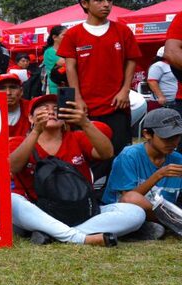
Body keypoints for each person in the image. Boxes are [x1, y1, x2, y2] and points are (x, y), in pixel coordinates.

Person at [9, 94, 145, 246]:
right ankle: (80, 238)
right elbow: (13, 167)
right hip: (39, 210)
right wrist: (36, 132)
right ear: (30, 118)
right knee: (8, 201)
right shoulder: (18, 141)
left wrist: (85, 123)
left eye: (56, 108)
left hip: (79, 210)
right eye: (44, 109)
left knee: (136, 213)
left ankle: (52, 233)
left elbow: (106, 153)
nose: (51, 112)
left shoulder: (77, 137)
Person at [57, 0, 141, 173]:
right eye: (99, 0)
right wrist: (77, 98)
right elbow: (70, 67)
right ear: (85, 4)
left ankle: (114, 194)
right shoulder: (73, 34)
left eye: (109, 0)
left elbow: (131, 61)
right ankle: (88, 192)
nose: (106, 5)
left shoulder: (122, 31)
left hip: (117, 104)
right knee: (87, 154)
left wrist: (125, 90)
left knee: (118, 153)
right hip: (85, 107)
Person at [102, 108, 182, 239]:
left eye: (177, 137)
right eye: (167, 138)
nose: (173, 143)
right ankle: (173, 225)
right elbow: (127, 199)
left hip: (162, 214)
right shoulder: (130, 155)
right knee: (132, 198)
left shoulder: (177, 158)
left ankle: (167, 226)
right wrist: (158, 175)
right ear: (147, 134)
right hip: (122, 212)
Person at [43, 25, 67, 94]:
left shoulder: (67, 50)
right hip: (56, 87)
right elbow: (65, 63)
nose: (67, 37)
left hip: (67, 86)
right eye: (64, 35)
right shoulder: (50, 51)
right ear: (54, 37)